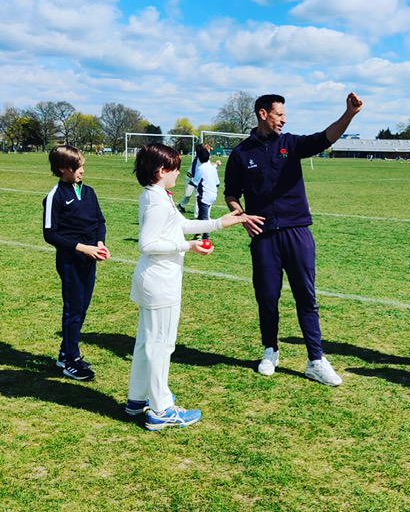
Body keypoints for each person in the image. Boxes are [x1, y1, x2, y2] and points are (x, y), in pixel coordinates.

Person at [224, 92, 363, 386]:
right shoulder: (240, 154)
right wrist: (241, 215)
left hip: (297, 231)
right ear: (263, 114)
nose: (283, 120)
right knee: (267, 298)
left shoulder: (291, 144)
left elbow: (326, 138)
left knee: (306, 297)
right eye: (279, 115)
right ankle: (270, 350)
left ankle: (316, 359)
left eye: (284, 115)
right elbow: (231, 193)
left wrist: (349, 114)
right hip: (264, 237)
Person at [125, 143, 263, 431]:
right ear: (161, 171)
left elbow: (179, 224)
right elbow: (147, 243)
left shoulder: (159, 195)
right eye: (175, 168)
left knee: (148, 342)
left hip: (157, 280)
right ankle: (160, 409)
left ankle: (138, 398)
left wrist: (218, 224)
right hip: (159, 282)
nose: (179, 173)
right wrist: (187, 246)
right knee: (160, 345)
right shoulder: (156, 200)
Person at [43, 145, 111, 381]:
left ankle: (66, 352)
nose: (82, 170)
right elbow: (50, 234)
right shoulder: (55, 196)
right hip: (70, 260)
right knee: (73, 309)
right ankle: (71, 360)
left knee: (82, 307)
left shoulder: (89, 192)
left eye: (83, 165)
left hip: (90, 259)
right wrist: (82, 248)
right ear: (63, 168)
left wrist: (100, 243)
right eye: (77, 166)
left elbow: (99, 221)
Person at [192, 148, 222, 241]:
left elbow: (195, 182)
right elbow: (217, 183)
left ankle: (206, 238)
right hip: (213, 194)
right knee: (201, 215)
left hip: (204, 195)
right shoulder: (212, 168)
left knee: (204, 218)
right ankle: (198, 234)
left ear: (199, 158)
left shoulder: (200, 168)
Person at [177, 143, 211, 214]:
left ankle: (197, 213)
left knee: (197, 194)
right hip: (191, 177)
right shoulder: (200, 159)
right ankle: (182, 206)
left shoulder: (202, 158)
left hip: (194, 178)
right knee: (188, 194)